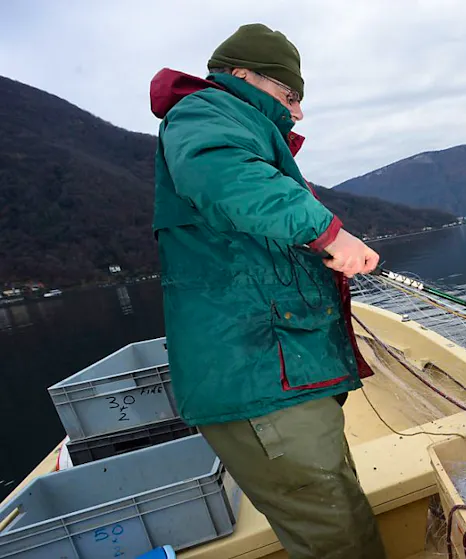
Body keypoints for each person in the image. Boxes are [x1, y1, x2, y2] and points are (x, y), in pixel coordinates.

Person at [148, 23, 385, 559]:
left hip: (281, 369)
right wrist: (328, 232)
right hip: (257, 373)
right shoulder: (203, 114)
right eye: (289, 95)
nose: (297, 112)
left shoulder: (237, 125)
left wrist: (319, 249)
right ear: (242, 75)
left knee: (340, 510)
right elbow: (225, 178)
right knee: (335, 537)